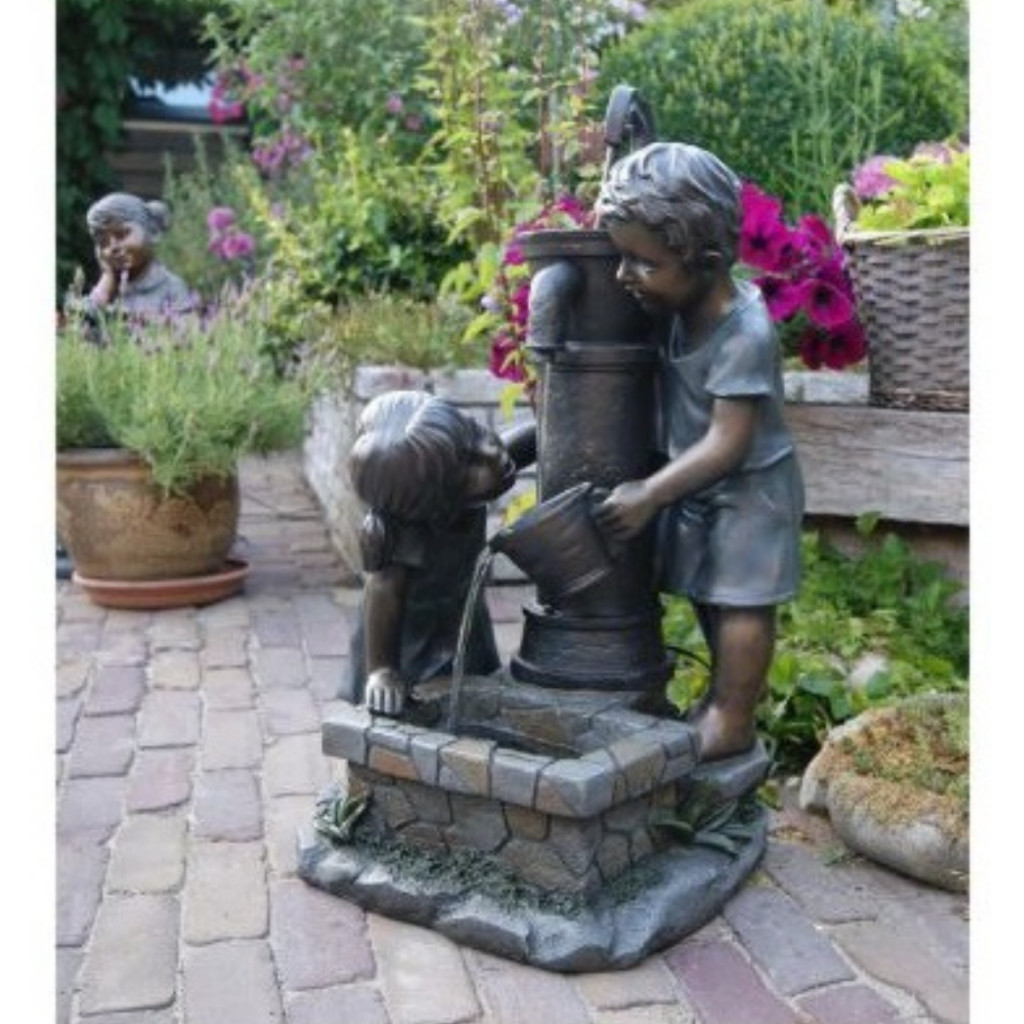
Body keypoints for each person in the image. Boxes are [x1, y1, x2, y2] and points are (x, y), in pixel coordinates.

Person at [592, 142, 804, 762]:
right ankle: (719, 701)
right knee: (711, 595)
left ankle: (733, 718)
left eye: (642, 262)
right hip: (704, 486)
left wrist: (650, 494)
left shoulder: (745, 332)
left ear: (706, 262)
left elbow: (727, 442)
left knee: (742, 604)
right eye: (621, 256)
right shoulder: (679, 309)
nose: (623, 275)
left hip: (751, 490)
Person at [343, 390, 535, 716]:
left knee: (478, 700)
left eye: (473, 430)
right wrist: (382, 670)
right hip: (412, 644)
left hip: (464, 619)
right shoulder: (406, 529)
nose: (491, 450)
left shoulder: (476, 461)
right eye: (468, 465)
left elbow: (532, 440)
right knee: (420, 717)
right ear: (431, 502)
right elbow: (383, 589)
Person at [83, 192, 195, 318]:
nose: (113, 247)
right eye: (103, 242)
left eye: (122, 235)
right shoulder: (110, 287)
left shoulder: (171, 287)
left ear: (150, 231)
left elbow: (183, 326)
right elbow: (82, 321)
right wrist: (107, 278)